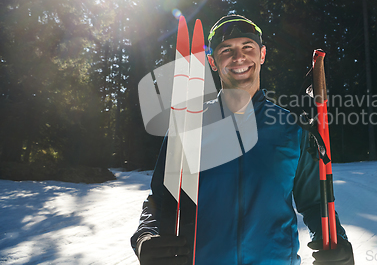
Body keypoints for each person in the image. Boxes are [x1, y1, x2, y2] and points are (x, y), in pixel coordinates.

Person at [131, 15, 355, 265]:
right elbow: (160, 200)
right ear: (212, 62)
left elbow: (316, 203)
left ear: (262, 55)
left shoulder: (292, 129)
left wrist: (339, 246)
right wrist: (144, 237)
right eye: (227, 50)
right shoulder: (187, 126)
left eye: (248, 47)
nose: (239, 57)